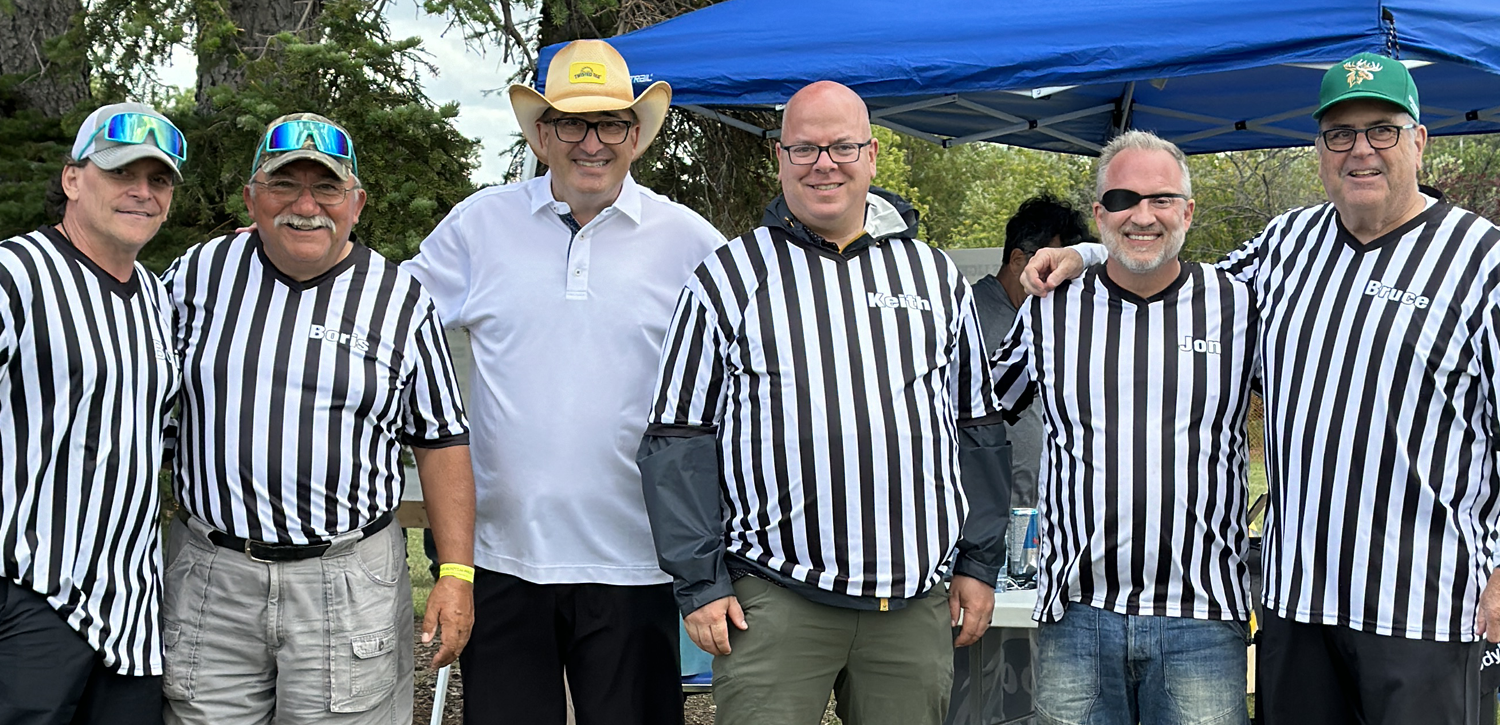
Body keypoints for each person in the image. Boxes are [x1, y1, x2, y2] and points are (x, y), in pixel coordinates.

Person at [1024, 52, 1500, 724]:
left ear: (1419, 140)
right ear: (1320, 149)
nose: (1360, 150)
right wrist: (1091, 253)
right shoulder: (1288, 243)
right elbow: (1171, 275)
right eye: (1341, 133)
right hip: (1297, 608)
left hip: (1420, 608)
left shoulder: (1483, 261)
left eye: (1382, 130)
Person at [639, 80, 1011, 725]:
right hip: (778, 597)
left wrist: (979, 562)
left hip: (913, 599)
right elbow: (678, 438)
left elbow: (978, 427)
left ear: (871, 156)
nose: (824, 163)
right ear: (781, 159)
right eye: (804, 148)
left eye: (841, 146)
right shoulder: (727, 276)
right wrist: (699, 583)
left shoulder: (933, 275)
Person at [403, 39, 724, 725]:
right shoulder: (479, 225)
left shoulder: (690, 241)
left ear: (636, 135)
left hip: (637, 559)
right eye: (572, 124)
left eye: (610, 123)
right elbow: (388, 329)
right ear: (541, 133)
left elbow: (745, 383)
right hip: (502, 559)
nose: (591, 143)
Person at [159, 113, 475, 725]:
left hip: (347, 582)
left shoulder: (400, 300)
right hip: (211, 577)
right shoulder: (195, 276)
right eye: (284, 185)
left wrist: (456, 572)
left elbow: (441, 441)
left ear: (356, 203)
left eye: (327, 187)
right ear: (252, 198)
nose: (306, 206)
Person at [993, 130, 1256, 725]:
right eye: (1122, 199)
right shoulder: (1049, 309)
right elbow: (982, 409)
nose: (1143, 215)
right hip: (1077, 615)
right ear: (1098, 214)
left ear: (1188, 211)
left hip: (1202, 615)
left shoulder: (1241, 306)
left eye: (1162, 199)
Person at [0, 102, 184, 725]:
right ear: (73, 179)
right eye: (121, 173)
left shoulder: (158, 298)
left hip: (130, 612)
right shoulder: (15, 275)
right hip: (30, 594)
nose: (142, 192)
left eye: (158, 180)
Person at [971, 193, 1095, 509]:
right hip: (987, 514)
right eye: (1050, 264)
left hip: (1043, 509)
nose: (1060, 279)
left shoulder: (1051, 316)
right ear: (1017, 261)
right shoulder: (965, 316)